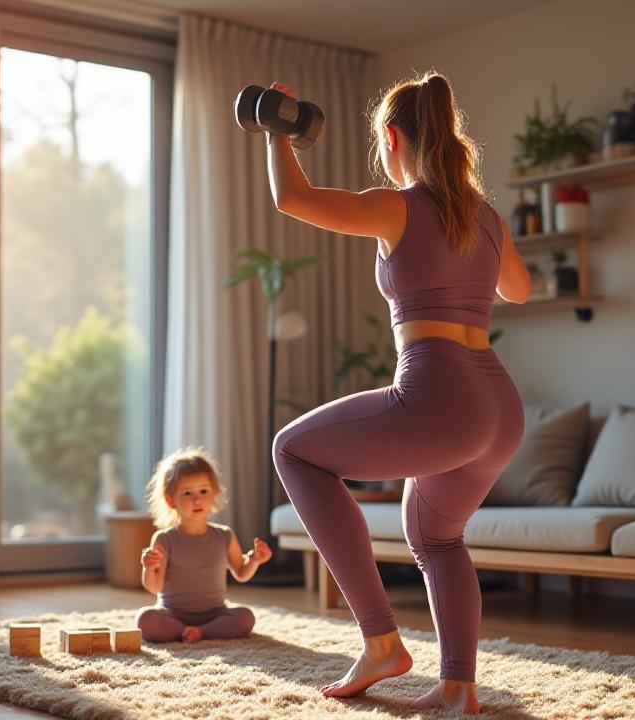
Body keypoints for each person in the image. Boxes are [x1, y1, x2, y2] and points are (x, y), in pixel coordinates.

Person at [267, 72, 531, 713]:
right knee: (438, 538)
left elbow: (291, 199)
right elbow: (518, 291)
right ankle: (458, 688)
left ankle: (381, 639)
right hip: (500, 405)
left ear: (392, 138)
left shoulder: (398, 206)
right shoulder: (485, 217)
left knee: (294, 452)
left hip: (441, 397)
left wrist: (277, 133)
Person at [135, 447, 272, 643]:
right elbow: (155, 586)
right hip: (172, 614)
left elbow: (241, 572)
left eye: (203, 491)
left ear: (214, 493)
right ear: (170, 500)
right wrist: (148, 567)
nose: (197, 499)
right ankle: (186, 630)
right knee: (145, 619)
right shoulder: (164, 539)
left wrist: (255, 559)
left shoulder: (224, 535)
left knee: (245, 617)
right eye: (187, 493)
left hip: (215, 614)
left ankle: (201, 631)